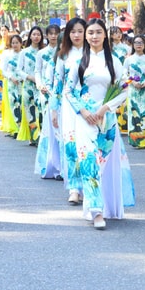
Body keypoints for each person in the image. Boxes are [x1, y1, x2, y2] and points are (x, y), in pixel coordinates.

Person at [61, 18, 134, 229]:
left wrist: (105, 109)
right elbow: (68, 90)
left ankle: (106, 206)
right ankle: (96, 211)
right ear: (85, 36)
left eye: (98, 32)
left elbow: (124, 89)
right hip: (84, 120)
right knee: (89, 162)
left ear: (105, 35)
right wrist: (83, 111)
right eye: (90, 32)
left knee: (103, 165)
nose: (94, 36)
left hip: (107, 120)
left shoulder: (114, 61)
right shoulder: (78, 62)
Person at [52, 17, 87, 203]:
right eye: (72, 32)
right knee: (71, 144)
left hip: (90, 104)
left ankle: (89, 185)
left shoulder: (93, 53)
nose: (76, 35)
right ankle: (74, 187)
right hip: (68, 105)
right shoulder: (63, 55)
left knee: (88, 145)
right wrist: (54, 109)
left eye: (80, 31)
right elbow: (57, 83)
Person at [34, 24, 61, 179]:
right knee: (48, 126)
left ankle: (58, 163)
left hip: (60, 94)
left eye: (56, 33)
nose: (53, 36)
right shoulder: (42, 53)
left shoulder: (63, 52)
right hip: (45, 92)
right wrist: (40, 84)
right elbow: (37, 70)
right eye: (50, 33)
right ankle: (49, 162)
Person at [16, 26, 44, 147]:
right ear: (30, 36)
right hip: (27, 85)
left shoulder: (44, 52)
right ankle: (34, 137)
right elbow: (18, 70)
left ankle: (43, 136)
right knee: (30, 111)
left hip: (41, 86)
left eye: (38, 34)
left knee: (42, 110)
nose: (36, 37)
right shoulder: (24, 52)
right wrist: (29, 77)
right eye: (34, 34)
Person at [124, 35, 145, 149]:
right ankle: (135, 139)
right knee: (134, 114)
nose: (138, 45)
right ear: (133, 45)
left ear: (144, 44)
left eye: (141, 42)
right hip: (133, 90)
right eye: (136, 42)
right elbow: (123, 74)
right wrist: (132, 82)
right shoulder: (129, 60)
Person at [0, 34, 23, 137]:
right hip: (11, 83)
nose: (15, 45)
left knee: (22, 105)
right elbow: (3, 70)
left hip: (23, 83)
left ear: (21, 43)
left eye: (17, 43)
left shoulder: (24, 54)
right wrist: (11, 77)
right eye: (13, 43)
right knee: (14, 104)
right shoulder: (7, 55)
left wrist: (22, 78)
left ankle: (23, 128)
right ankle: (16, 128)